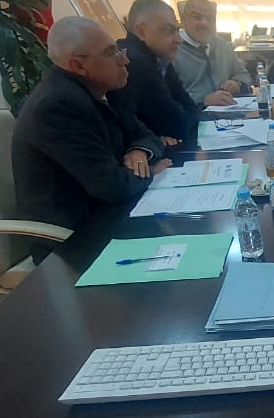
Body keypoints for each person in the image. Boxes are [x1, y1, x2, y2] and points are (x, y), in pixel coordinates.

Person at [13, 16, 170, 262]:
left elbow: (147, 136)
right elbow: (112, 186)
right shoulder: (57, 106)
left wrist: (140, 151)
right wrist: (151, 170)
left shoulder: (106, 89)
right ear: (78, 65)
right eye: (111, 53)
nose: (125, 60)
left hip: (111, 214)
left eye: (119, 50)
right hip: (74, 243)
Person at [106, 0, 200, 147]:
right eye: (169, 31)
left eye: (178, 30)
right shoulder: (133, 61)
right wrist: (166, 130)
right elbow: (177, 124)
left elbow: (189, 106)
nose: (179, 40)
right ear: (141, 32)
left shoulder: (159, 56)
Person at [174, 0, 253, 106]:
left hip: (229, 110)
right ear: (183, 19)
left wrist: (236, 83)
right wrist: (203, 100)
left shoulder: (222, 45)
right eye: (197, 17)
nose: (205, 23)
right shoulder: (172, 49)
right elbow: (167, 95)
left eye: (210, 18)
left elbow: (243, 75)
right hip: (193, 113)